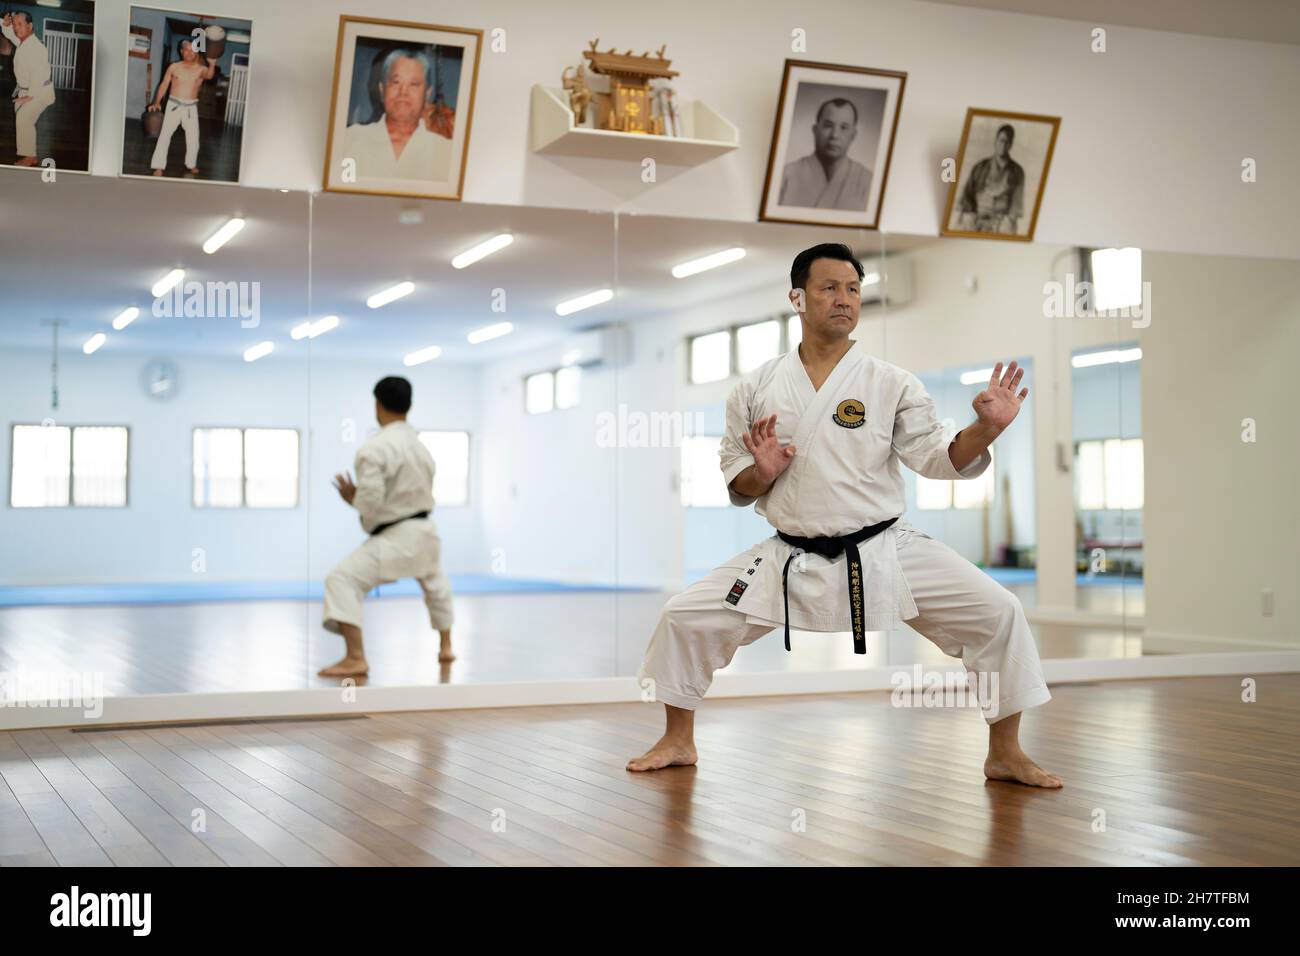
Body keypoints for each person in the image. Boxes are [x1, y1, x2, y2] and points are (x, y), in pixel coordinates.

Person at [628, 242, 1061, 789]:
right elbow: (739, 484)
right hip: (790, 554)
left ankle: (1005, 751)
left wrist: (987, 431)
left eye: (853, 289)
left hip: (885, 548)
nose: (844, 299)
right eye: (829, 287)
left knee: (999, 612)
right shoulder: (756, 387)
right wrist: (762, 472)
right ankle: (677, 739)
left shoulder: (891, 382)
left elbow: (936, 457)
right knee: (686, 615)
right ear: (798, 298)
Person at [320, 376, 455, 677]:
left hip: (397, 536)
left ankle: (355, 657)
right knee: (436, 585)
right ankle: (446, 647)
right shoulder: (422, 448)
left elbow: (371, 503)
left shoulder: (374, 448)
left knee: (340, 579)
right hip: (426, 531)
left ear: (377, 405)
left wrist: (351, 498)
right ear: (410, 406)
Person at [341, 47, 452, 181]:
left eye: (414, 84)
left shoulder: (445, 152)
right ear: (382, 89)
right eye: (396, 82)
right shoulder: (350, 140)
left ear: (427, 93)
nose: (403, 92)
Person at [778, 97, 873, 210]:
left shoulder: (867, 181)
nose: (835, 135)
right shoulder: (787, 175)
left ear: (853, 135)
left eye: (844, 128)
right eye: (828, 126)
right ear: (815, 130)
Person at [147, 38, 217, 177]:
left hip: (191, 108)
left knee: (193, 139)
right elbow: (164, 84)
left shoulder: (201, 69)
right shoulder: (174, 67)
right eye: (187, 50)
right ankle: (158, 166)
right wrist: (157, 102)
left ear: (196, 52)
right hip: (173, 106)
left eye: (193, 50)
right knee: (164, 136)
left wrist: (212, 64)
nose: (190, 53)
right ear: (181, 51)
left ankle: (191, 164)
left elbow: (209, 75)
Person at [2, 11, 54, 168]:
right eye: (15, 24)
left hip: (40, 91)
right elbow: (10, 34)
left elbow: (39, 74)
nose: (16, 28)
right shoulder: (23, 42)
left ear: (30, 26)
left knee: (24, 117)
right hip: (25, 89)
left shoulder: (37, 48)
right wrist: (5, 25)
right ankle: (28, 153)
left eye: (20, 24)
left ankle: (30, 157)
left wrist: (30, 96)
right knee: (21, 116)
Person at [956, 123, 1026, 234]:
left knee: (1008, 228)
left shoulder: (1017, 171)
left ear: (1011, 145)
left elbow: (1016, 206)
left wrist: (1006, 220)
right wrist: (970, 215)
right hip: (978, 218)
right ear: (995, 141)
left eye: (1007, 142)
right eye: (1001, 140)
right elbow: (967, 195)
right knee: (965, 220)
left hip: (1001, 221)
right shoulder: (980, 167)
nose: (1003, 145)